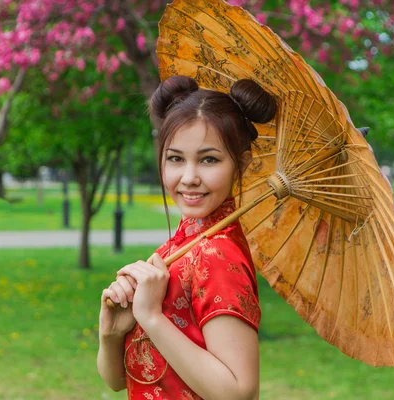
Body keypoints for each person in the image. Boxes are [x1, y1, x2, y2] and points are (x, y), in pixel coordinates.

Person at [97, 75, 277, 400]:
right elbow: (119, 380)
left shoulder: (217, 256)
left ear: (242, 164)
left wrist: (151, 317)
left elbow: (238, 392)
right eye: (176, 158)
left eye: (209, 159)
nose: (189, 178)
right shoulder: (174, 250)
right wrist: (111, 331)